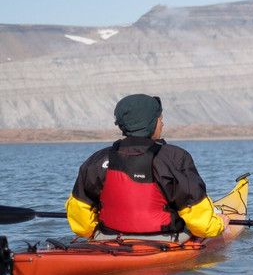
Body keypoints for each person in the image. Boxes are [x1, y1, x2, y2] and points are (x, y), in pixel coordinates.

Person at [65, 94, 230, 239]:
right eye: (160, 119)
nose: (162, 124)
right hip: (165, 241)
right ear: (151, 123)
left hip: (109, 239)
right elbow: (201, 225)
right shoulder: (175, 157)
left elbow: (82, 226)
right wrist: (220, 224)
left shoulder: (96, 160)